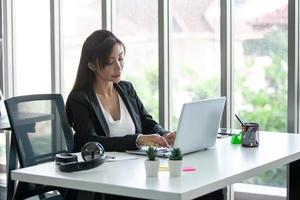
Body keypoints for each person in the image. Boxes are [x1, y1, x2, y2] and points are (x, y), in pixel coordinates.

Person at [66, 29, 224, 200]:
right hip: (106, 181)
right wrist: (137, 139)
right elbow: (89, 141)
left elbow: (147, 122)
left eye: (120, 58)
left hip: (137, 172)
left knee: (208, 191)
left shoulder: (126, 89)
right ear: (91, 65)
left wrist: (164, 134)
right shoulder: (80, 99)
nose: (118, 66)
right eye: (110, 62)